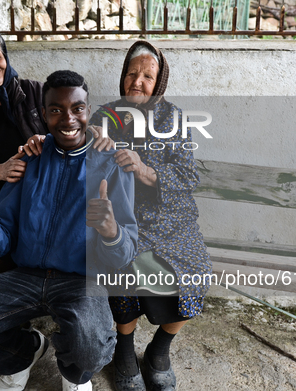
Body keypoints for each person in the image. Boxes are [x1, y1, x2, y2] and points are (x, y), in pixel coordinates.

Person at [0, 70, 137, 391]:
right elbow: (4, 237)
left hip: (81, 281)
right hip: (25, 277)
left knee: (91, 348)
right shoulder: (30, 158)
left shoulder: (112, 163)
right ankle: (24, 353)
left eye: (77, 108)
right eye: (56, 109)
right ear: (44, 113)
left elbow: (125, 252)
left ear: (89, 110)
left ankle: (72, 372)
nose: (68, 118)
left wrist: (110, 231)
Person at [0, 27, 114, 295]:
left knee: (4, 251)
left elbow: (68, 112)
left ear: (6, 57)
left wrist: (94, 131)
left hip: (30, 194)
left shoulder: (33, 92)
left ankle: (14, 324)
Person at [89, 41, 212, 391]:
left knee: (197, 274)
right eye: (131, 73)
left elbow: (189, 177)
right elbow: (83, 159)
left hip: (172, 221)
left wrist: (145, 170)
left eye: (147, 75)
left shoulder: (173, 119)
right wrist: (91, 141)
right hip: (125, 219)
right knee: (121, 266)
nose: (137, 81)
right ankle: (125, 351)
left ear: (159, 82)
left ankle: (159, 349)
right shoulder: (106, 116)